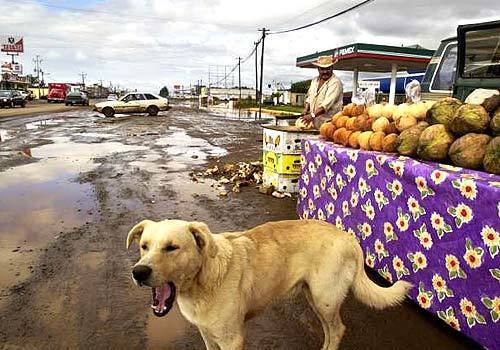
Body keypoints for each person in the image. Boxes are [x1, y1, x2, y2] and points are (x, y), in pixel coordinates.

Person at [302, 55, 343, 129]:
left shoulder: (335, 82)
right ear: (318, 69)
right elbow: (309, 97)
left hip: (329, 124)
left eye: (328, 69)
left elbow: (326, 105)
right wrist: (306, 109)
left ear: (332, 68)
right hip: (314, 124)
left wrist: (312, 115)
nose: (325, 71)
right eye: (322, 69)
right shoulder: (315, 81)